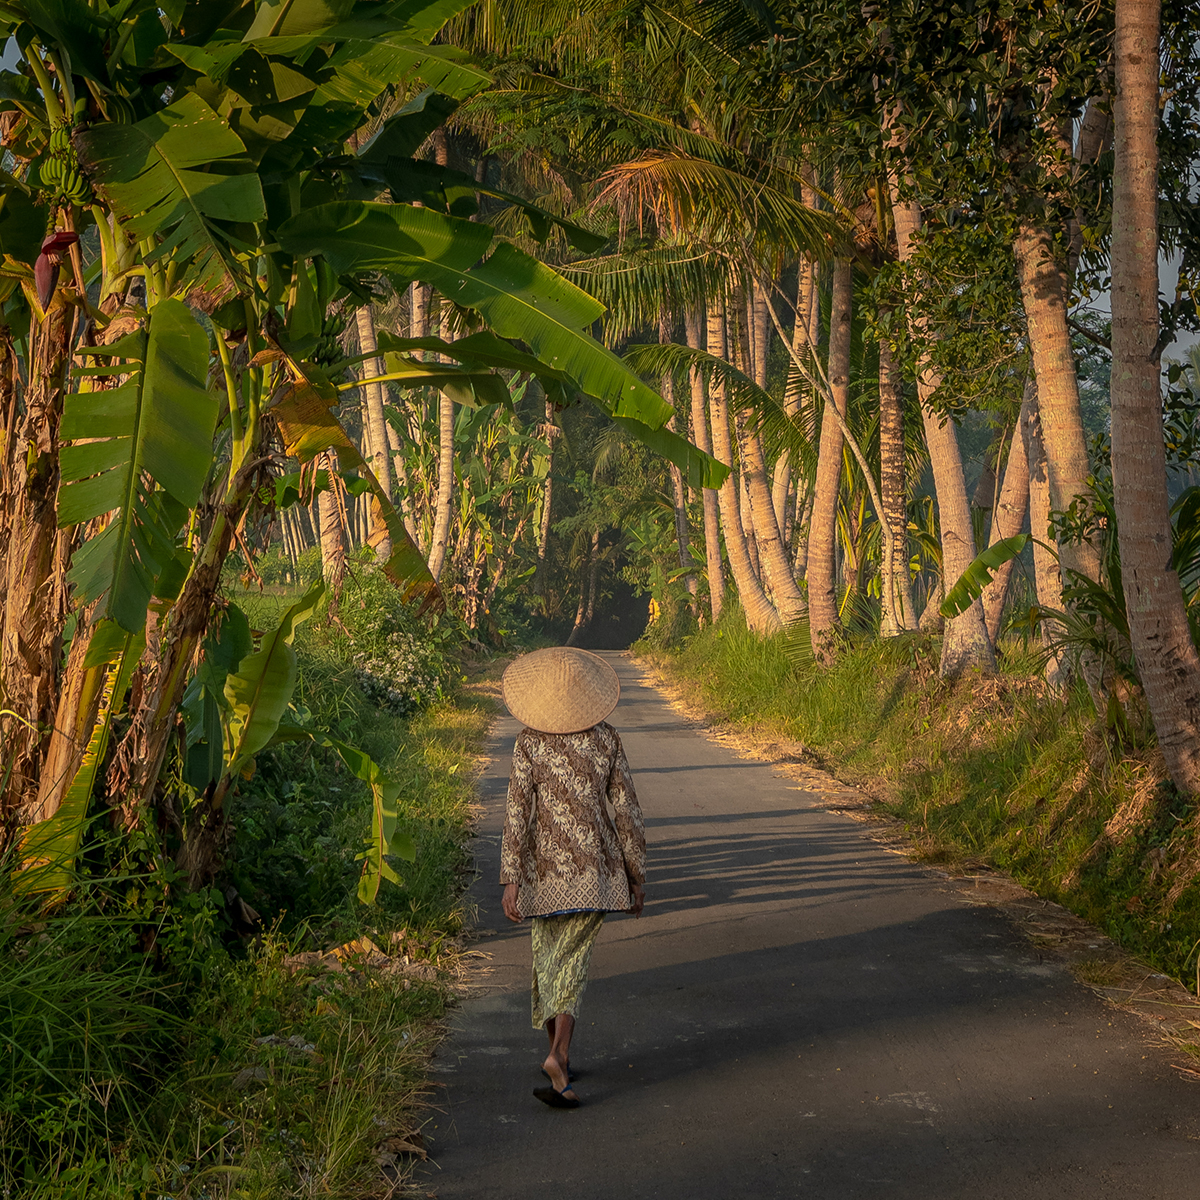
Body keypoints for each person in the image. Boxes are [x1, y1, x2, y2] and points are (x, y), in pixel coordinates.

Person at [499, 646, 646, 1110]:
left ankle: (557, 1059)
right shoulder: (606, 739)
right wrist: (635, 872)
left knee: (548, 962)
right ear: (588, 696)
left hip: (542, 872)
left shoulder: (528, 743)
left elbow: (516, 813)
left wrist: (510, 878)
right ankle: (559, 1054)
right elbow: (626, 810)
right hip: (596, 871)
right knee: (572, 963)